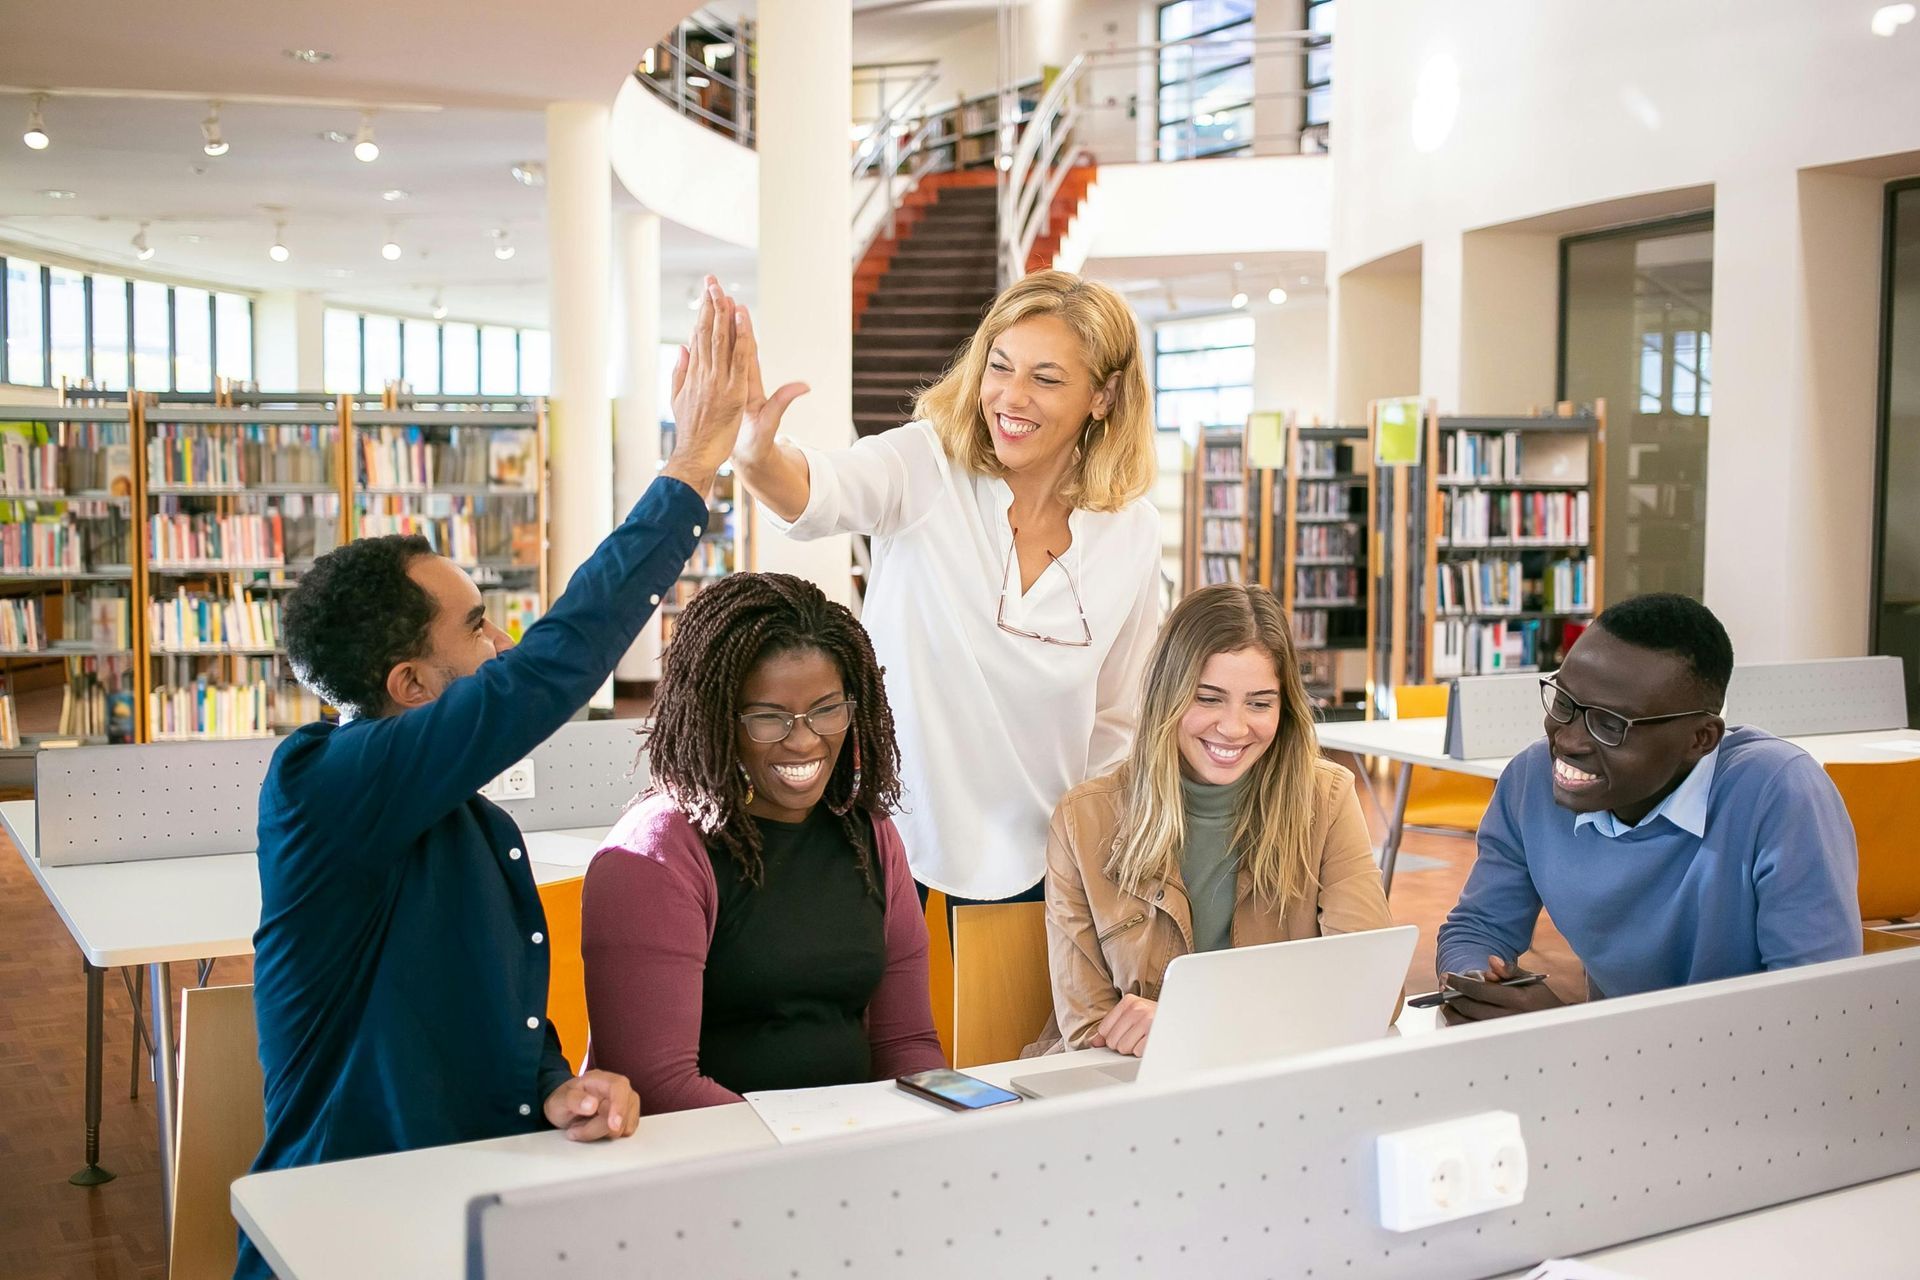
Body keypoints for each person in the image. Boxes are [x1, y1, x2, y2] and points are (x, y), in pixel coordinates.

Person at [238, 279, 752, 1278]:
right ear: (408, 682)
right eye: (476, 625)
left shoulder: (461, 816)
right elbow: (545, 671)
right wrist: (689, 468)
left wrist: (550, 1083)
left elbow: (477, 1004)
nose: (502, 640)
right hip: (346, 1231)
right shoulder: (323, 784)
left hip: (472, 1202)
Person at [729, 270, 1162, 909]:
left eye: (1046, 379)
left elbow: (1118, 718)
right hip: (889, 841)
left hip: (1045, 861)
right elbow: (825, 491)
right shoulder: (927, 465)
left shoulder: (1132, 531)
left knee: (1012, 1015)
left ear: (1104, 396)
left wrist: (1096, 860)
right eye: (1000, 367)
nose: (1010, 398)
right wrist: (758, 458)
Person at [581, 573, 944, 1111]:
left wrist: (956, 1117)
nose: (804, 740)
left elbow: (905, 1043)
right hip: (714, 1165)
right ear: (716, 719)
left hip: (849, 1150)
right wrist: (810, 1150)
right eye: (769, 718)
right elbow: (657, 1086)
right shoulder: (654, 855)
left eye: (827, 709)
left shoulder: (869, 834)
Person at [1436, 593, 1863, 1021]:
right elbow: (1478, 927)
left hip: (1752, 1074)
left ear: (1700, 739)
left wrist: (1566, 1031)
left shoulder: (1779, 792)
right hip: (1618, 1072)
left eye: (1610, 724)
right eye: (1564, 703)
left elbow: (1815, 1014)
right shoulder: (1531, 778)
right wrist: (1478, 983)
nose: (1568, 740)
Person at [1031, 583, 1396, 1056]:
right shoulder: (1083, 821)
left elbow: (1374, 992)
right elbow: (1088, 1033)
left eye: (1260, 703)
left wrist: (1196, 1023)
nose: (1234, 727)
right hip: (1132, 1091)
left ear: (1284, 710)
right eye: (1208, 698)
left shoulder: (1326, 800)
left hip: (1276, 1079)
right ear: (1169, 696)